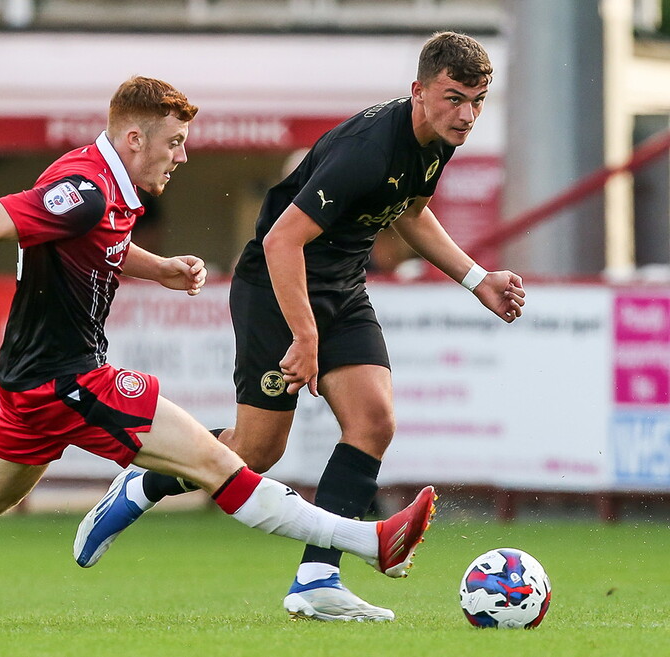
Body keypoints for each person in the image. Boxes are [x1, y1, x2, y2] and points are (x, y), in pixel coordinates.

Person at [0, 76, 437, 628]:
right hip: (73, 382)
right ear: (135, 139)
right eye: (174, 142)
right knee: (221, 467)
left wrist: (158, 268)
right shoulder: (86, 191)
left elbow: (94, 239)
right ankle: (370, 541)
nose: (181, 156)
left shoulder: (105, 183)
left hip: (31, 386)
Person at [74, 32, 526, 623]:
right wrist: (305, 336)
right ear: (419, 91)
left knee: (374, 421)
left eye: (477, 101)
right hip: (274, 289)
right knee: (257, 451)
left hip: (342, 289)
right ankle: (146, 484)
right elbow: (281, 241)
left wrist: (476, 278)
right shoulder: (368, 149)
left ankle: (317, 579)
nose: (466, 115)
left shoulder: (435, 141)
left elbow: (411, 212)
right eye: (454, 98)